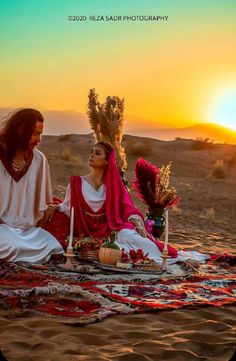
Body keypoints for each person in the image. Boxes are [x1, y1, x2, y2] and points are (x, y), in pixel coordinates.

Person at [53, 141, 209, 265]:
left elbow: (127, 209)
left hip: (112, 228)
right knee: (118, 251)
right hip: (88, 234)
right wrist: (56, 207)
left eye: (97, 153)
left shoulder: (114, 185)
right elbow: (68, 207)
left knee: (135, 238)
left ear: (107, 161)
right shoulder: (76, 183)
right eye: (91, 152)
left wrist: (138, 224)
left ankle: (177, 259)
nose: (91, 155)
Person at [0, 108, 64, 263]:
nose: (39, 140)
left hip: (28, 229)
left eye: (40, 134)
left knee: (55, 248)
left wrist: (49, 208)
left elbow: (44, 202)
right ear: (21, 130)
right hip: (1, 227)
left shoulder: (39, 159)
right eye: (35, 134)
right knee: (12, 246)